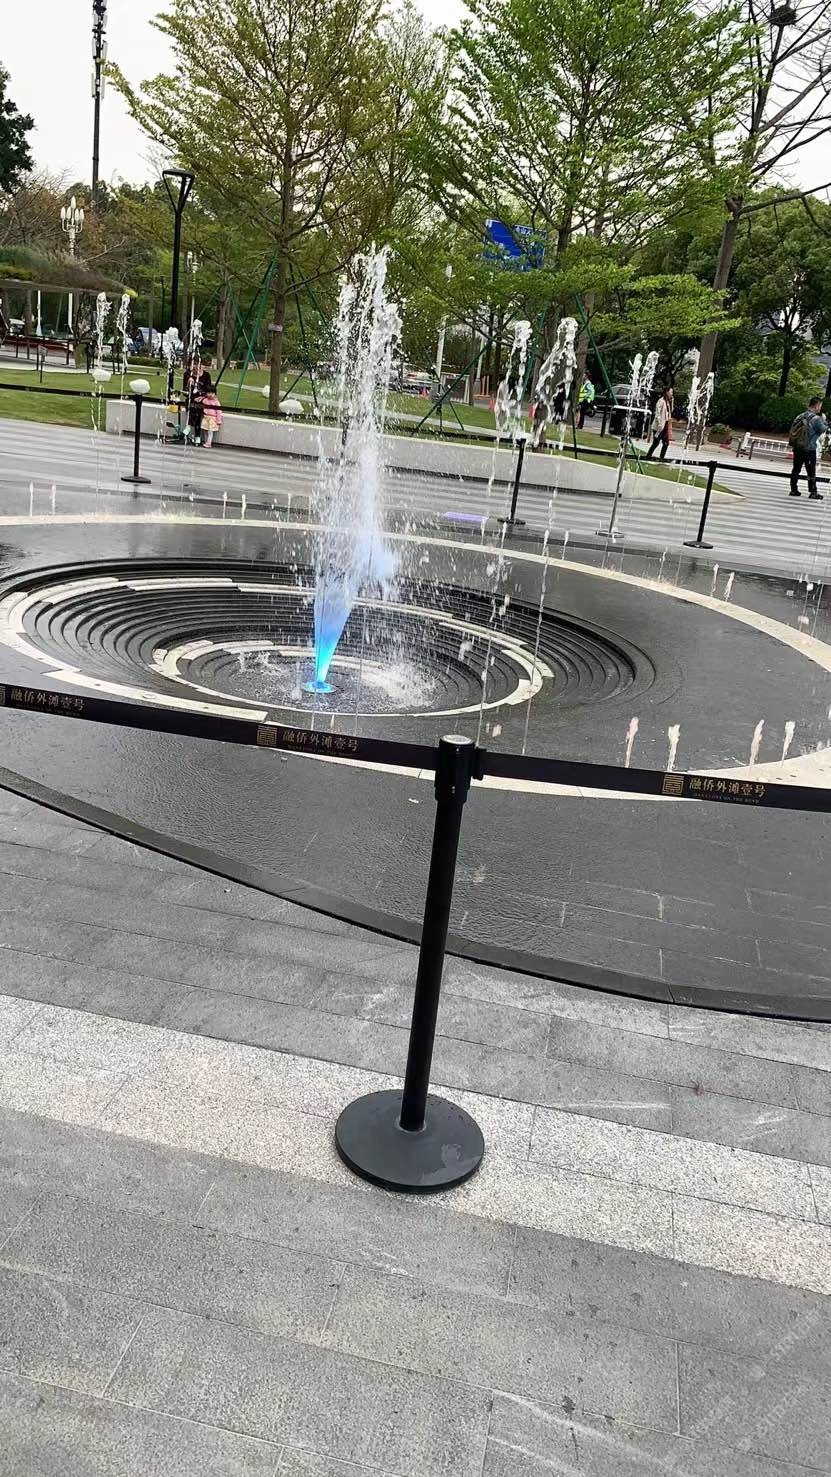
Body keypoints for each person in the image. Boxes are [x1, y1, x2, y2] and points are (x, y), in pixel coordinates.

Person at [788, 396, 828, 500]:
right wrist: (824, 420)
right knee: (811, 471)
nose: (820, 408)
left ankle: (793, 489)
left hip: (798, 447)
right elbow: (823, 429)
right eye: (820, 406)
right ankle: (813, 492)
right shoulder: (816, 419)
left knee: (796, 469)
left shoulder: (800, 416)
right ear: (817, 405)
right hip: (809, 449)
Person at [645, 388, 672, 460]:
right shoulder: (661, 401)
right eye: (671, 392)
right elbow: (658, 413)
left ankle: (661, 457)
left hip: (665, 426)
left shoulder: (667, 402)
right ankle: (648, 456)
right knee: (656, 443)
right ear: (666, 392)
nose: (671, 394)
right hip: (659, 427)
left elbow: (668, 413)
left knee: (666, 443)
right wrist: (660, 423)